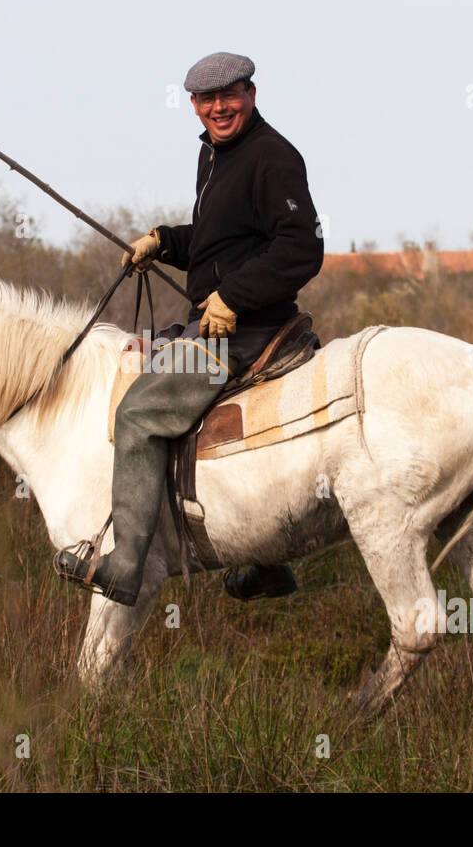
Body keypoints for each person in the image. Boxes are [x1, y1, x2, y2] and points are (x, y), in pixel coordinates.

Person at [53, 51, 324, 606]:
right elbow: (219, 240)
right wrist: (166, 241)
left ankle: (125, 564)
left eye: (230, 95)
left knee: (139, 412)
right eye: (207, 99)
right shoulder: (216, 154)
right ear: (194, 105)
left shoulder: (273, 157)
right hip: (220, 319)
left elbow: (302, 248)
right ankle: (269, 565)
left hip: (247, 328)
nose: (219, 107)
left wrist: (234, 296)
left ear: (251, 93)